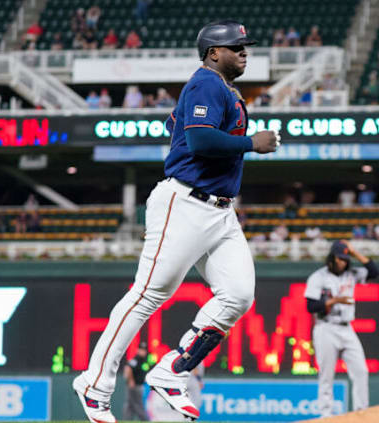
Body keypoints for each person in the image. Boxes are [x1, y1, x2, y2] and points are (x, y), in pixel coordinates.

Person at [72, 20, 279, 423]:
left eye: (245, 46)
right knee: (149, 293)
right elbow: (200, 139)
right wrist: (251, 144)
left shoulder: (221, 90)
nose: (244, 52)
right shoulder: (206, 83)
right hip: (186, 203)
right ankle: (94, 382)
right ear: (213, 52)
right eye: (236, 46)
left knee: (237, 295)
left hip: (220, 211)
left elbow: (176, 126)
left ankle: (171, 370)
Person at [304, 241, 379, 418]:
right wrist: (334, 301)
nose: (343, 263)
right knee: (326, 375)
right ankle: (326, 415)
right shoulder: (318, 277)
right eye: (340, 258)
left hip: (347, 328)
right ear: (332, 258)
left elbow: (375, 272)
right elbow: (310, 306)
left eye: (346, 259)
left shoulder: (351, 274)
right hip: (326, 328)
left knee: (361, 370)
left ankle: (362, 413)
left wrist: (354, 252)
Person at [123, 342, 150, 421]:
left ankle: (127, 420)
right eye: (141, 349)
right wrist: (131, 380)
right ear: (138, 350)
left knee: (130, 405)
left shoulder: (143, 360)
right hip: (135, 386)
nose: (143, 351)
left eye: (144, 350)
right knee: (138, 405)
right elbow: (128, 368)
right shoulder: (136, 359)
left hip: (138, 385)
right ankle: (145, 420)